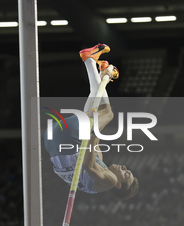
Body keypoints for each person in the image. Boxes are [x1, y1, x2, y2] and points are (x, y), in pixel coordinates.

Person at [44, 43, 139, 200]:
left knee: (107, 114)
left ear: (119, 185)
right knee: (94, 104)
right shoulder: (99, 165)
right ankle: (98, 71)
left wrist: (95, 129)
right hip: (54, 141)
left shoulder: (111, 181)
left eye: (126, 174)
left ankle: (93, 65)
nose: (124, 167)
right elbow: (91, 147)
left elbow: (87, 166)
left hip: (66, 141)